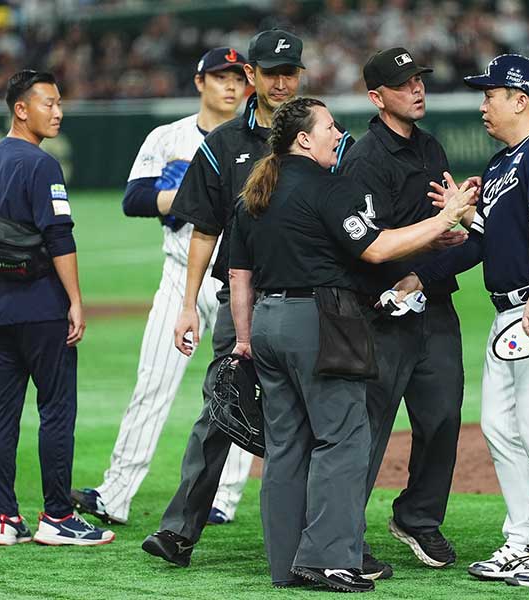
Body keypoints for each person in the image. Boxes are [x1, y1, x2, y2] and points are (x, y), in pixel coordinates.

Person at [228, 96, 476, 591]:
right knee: (343, 439)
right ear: (303, 138)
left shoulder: (256, 192)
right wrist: (447, 215)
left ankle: (286, 566)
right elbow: (377, 247)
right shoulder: (327, 187)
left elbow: (240, 274)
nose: (338, 134)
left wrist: (244, 338)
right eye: (329, 127)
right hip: (318, 323)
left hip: (268, 323)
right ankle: (328, 558)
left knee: (285, 449)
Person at [141, 29, 354, 567]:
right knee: (223, 411)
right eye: (271, 72)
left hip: (308, 301)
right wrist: (187, 303)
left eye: (291, 73)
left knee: (315, 419)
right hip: (240, 299)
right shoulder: (223, 144)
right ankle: (179, 530)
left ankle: (330, 540)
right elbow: (204, 230)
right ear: (251, 76)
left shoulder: (328, 139)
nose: (282, 82)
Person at [392, 54, 529, 587]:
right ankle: (524, 539)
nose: (482, 104)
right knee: (503, 431)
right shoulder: (505, 163)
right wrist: (421, 277)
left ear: (520, 100)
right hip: (511, 313)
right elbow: (480, 244)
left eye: (490, 94)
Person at [70, 47, 254, 528]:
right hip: (180, 275)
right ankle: (115, 494)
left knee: (238, 388)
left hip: (241, 280)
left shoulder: (257, 140)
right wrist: (182, 195)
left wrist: (186, 197)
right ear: (200, 82)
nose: (230, 86)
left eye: (238, 77)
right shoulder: (168, 137)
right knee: (153, 381)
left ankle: (224, 498)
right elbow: (133, 198)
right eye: (220, 77)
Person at [339, 47, 468, 577]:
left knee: (443, 416)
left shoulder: (430, 146)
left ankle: (417, 516)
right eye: (403, 83)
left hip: (434, 305)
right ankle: (342, 534)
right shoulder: (364, 159)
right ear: (377, 97)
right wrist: (435, 237)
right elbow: (368, 244)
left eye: (419, 79)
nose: (417, 89)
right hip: (383, 310)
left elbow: (446, 227)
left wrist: (452, 229)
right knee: (367, 427)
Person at [0, 70, 114, 546]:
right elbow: (58, 236)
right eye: (48, 103)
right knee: (56, 409)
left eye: (59, 103)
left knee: (2, 410)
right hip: (40, 306)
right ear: (21, 109)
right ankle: (57, 515)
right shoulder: (41, 165)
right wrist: (75, 300)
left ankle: (6, 520)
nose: (58, 111)